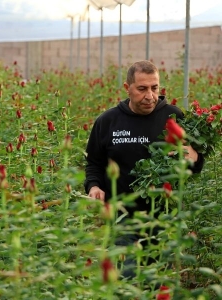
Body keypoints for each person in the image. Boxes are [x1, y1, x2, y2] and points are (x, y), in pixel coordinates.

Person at [83, 60, 204, 279]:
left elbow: (195, 165)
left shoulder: (173, 117)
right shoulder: (108, 121)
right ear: (127, 88)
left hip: (162, 218)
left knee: (156, 280)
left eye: (154, 88)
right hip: (121, 217)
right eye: (142, 89)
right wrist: (93, 187)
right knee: (127, 276)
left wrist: (194, 157)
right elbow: (94, 163)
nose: (150, 95)